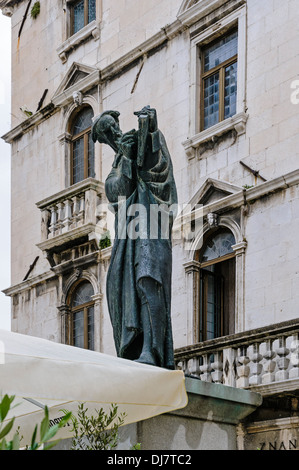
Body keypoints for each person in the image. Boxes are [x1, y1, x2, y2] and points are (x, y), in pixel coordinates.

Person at [92, 106, 178, 369]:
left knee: (148, 280)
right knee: (122, 285)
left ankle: (153, 351)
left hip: (152, 224)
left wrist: (150, 127)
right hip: (127, 236)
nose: (112, 135)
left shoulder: (145, 137)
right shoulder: (119, 159)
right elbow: (115, 191)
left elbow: (159, 169)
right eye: (105, 134)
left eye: (111, 128)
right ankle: (137, 348)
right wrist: (127, 158)